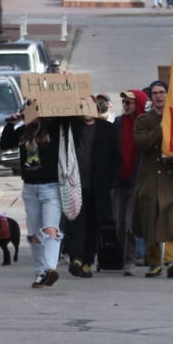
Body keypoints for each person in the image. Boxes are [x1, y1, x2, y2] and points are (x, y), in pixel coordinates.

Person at [0, 111, 64, 288]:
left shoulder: (55, 127)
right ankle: (40, 272)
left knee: (51, 229)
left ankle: (51, 269)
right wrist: (11, 123)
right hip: (30, 187)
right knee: (35, 233)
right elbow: (5, 144)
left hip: (50, 186)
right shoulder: (24, 131)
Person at [133, 80, 173, 277]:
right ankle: (154, 262)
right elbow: (142, 143)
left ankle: (172, 261)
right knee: (151, 221)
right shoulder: (143, 120)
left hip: (171, 178)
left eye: (162, 92)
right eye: (155, 93)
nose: (158, 96)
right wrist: (162, 127)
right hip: (150, 179)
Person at [64, 99, 115, 279]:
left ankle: (87, 262)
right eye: (82, 105)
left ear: (95, 108)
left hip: (98, 186)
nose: (85, 109)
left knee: (93, 225)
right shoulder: (72, 127)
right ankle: (76, 258)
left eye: (88, 106)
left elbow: (115, 157)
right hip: (76, 185)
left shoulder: (107, 129)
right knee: (76, 223)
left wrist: (110, 180)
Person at [110, 89, 147, 275]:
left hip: (137, 181)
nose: (125, 106)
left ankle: (129, 261)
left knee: (131, 224)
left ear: (138, 103)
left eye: (129, 102)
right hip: (119, 181)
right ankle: (124, 256)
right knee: (119, 224)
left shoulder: (145, 124)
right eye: (123, 102)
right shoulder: (117, 123)